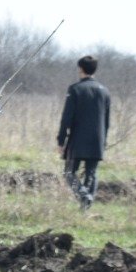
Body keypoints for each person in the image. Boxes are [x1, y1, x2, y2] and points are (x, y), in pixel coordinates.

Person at [57, 54, 111, 210]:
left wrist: (61, 140)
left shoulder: (75, 89)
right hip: (97, 140)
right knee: (91, 173)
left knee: (69, 172)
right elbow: (107, 121)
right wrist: (104, 141)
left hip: (77, 140)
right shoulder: (104, 91)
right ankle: (86, 205)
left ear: (80, 68)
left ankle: (83, 195)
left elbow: (66, 118)